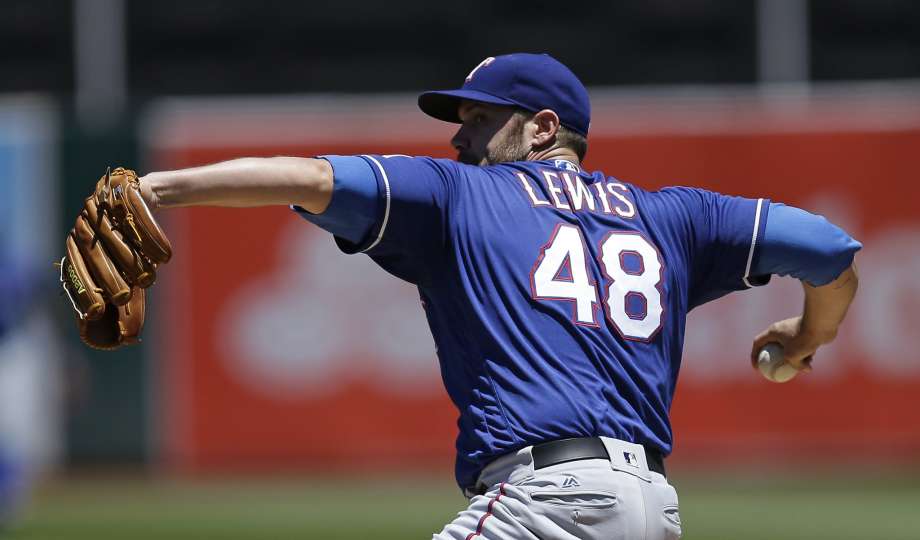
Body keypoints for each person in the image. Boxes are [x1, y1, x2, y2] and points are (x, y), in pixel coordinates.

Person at [137, 53, 860, 539]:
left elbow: (306, 178)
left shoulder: (461, 195)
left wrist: (156, 189)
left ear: (544, 128)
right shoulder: (676, 216)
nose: (459, 139)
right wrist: (808, 338)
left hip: (546, 505)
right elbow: (830, 251)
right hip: (652, 512)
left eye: (481, 119)